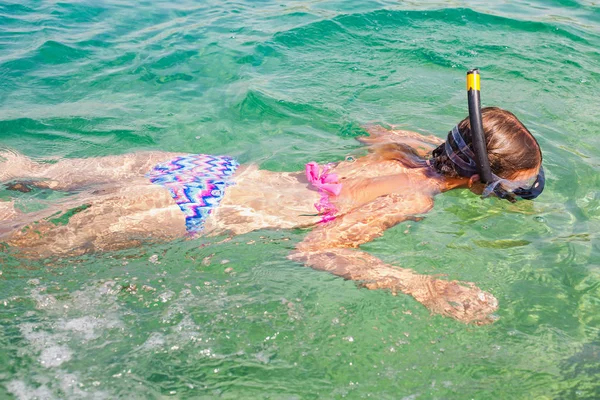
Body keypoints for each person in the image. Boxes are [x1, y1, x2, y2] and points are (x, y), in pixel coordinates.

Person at [0, 107, 544, 324]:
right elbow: (314, 249)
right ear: (478, 183)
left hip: (201, 171)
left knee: (29, 170)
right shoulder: (414, 200)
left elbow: (370, 128)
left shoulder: (400, 149)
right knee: (25, 244)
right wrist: (416, 283)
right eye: (506, 190)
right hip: (207, 208)